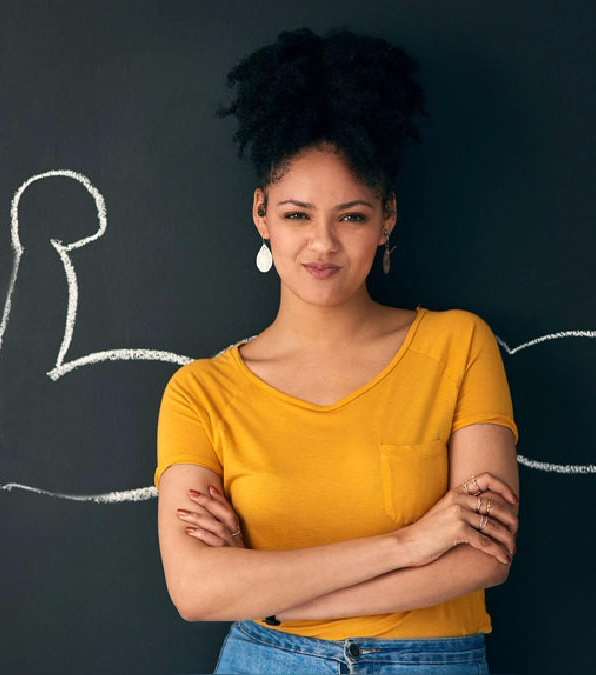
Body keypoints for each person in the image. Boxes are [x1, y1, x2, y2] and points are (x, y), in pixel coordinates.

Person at [153, 26, 520, 675]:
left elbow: (484, 555)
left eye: (351, 216)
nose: (322, 243)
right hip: (266, 661)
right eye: (297, 215)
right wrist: (411, 543)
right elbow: (196, 590)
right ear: (261, 214)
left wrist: (274, 594)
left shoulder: (459, 344)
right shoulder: (200, 392)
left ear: (387, 218)